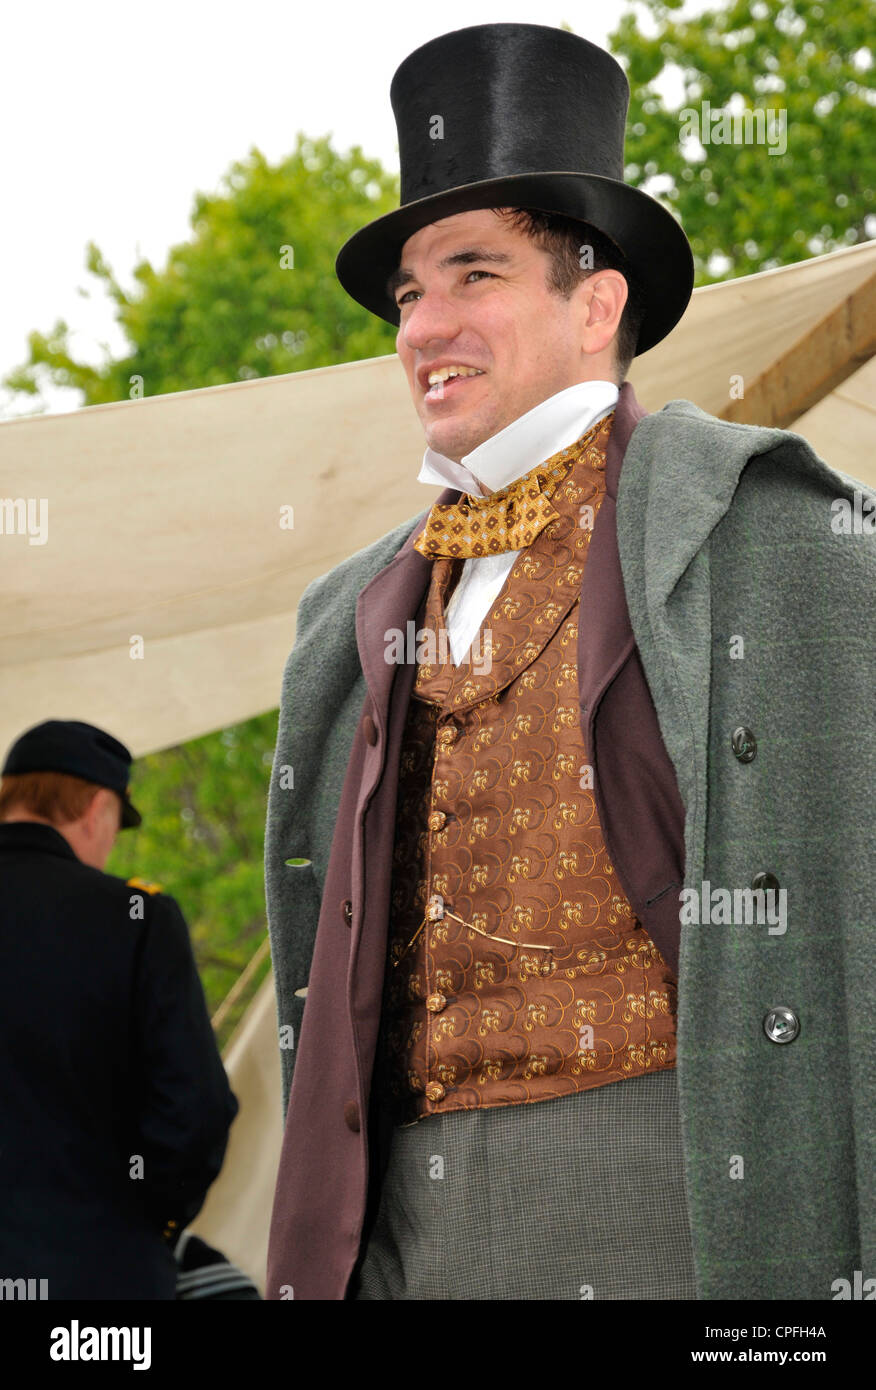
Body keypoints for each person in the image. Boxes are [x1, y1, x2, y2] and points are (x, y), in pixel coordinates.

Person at [264, 23, 875, 1300]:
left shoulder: (778, 538)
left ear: (597, 300)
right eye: (409, 295)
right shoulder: (347, 619)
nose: (425, 325)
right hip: (402, 1227)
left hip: (676, 1187)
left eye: (473, 274)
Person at [0, 719, 239, 1299]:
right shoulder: (135, 919)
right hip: (94, 1285)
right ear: (96, 809)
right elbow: (195, 1113)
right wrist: (147, 1222)